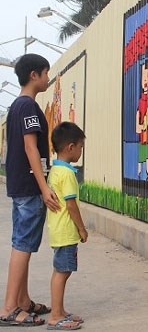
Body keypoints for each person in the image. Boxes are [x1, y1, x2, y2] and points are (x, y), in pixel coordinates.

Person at [0, 54, 59, 327]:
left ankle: (23, 301)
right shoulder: (28, 107)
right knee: (22, 245)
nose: (48, 78)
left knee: (22, 243)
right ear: (34, 75)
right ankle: (10, 308)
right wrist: (44, 187)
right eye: (46, 73)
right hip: (29, 186)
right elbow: (30, 147)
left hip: (20, 185)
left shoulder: (19, 106)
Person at [45, 122, 87, 330]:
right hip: (66, 231)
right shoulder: (68, 174)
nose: (81, 151)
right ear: (70, 147)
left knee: (62, 271)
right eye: (80, 147)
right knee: (62, 272)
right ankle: (55, 316)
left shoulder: (55, 170)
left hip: (58, 230)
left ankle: (60, 311)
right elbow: (71, 205)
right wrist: (82, 228)